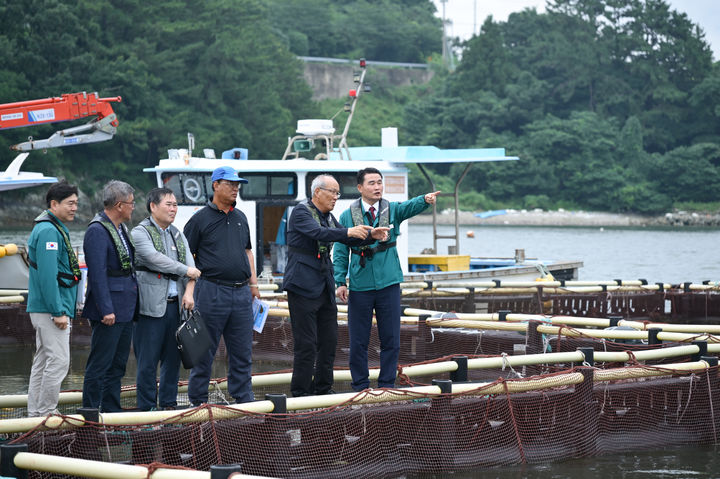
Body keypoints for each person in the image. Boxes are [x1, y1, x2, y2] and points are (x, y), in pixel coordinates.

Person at [333, 167, 440, 391]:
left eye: (380, 182)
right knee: (358, 340)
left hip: (389, 282)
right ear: (360, 187)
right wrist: (340, 281)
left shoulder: (392, 210)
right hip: (361, 284)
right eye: (372, 183)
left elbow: (409, 207)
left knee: (391, 339)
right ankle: (360, 386)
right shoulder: (347, 215)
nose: (377, 187)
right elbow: (341, 251)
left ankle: (386, 384)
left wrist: (425, 200)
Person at [282, 174, 389, 397]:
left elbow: (346, 238)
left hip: (323, 287)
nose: (335, 198)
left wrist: (372, 235)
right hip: (302, 287)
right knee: (306, 344)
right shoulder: (302, 212)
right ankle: (300, 393)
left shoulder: (328, 217)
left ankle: (323, 388)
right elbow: (318, 233)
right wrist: (348, 230)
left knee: (329, 342)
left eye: (338, 193)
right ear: (317, 192)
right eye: (333, 192)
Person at [183, 166, 260, 406]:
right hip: (211, 290)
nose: (236, 188)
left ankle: (243, 398)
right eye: (230, 184)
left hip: (240, 292)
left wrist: (254, 285)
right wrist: (191, 289)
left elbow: (248, 251)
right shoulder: (199, 219)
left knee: (242, 351)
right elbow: (187, 257)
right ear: (215, 185)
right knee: (203, 350)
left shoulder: (240, 217)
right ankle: (197, 400)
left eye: (238, 184)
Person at [131, 187, 201, 411]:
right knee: (147, 363)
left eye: (175, 205)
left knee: (173, 360)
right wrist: (187, 272)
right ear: (153, 206)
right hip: (150, 308)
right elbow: (154, 260)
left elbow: (193, 268)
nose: (173, 209)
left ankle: (169, 405)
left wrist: (190, 291)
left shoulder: (177, 234)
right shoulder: (140, 232)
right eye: (168, 204)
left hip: (176, 307)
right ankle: (147, 409)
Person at [81, 180, 138, 412]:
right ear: (119, 205)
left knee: (118, 365)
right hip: (110, 309)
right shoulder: (97, 230)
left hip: (126, 306)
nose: (134, 207)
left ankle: (112, 410)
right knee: (100, 364)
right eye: (131, 203)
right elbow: (97, 274)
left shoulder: (121, 229)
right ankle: (91, 412)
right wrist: (106, 309)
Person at [25, 181, 80, 416]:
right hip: (51, 309)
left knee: (43, 361)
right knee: (58, 361)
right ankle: (47, 412)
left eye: (76, 203)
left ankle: (34, 413)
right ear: (54, 204)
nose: (74, 208)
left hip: (45, 308)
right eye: (70, 203)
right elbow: (48, 276)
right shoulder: (48, 230)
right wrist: (58, 311)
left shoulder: (50, 227)